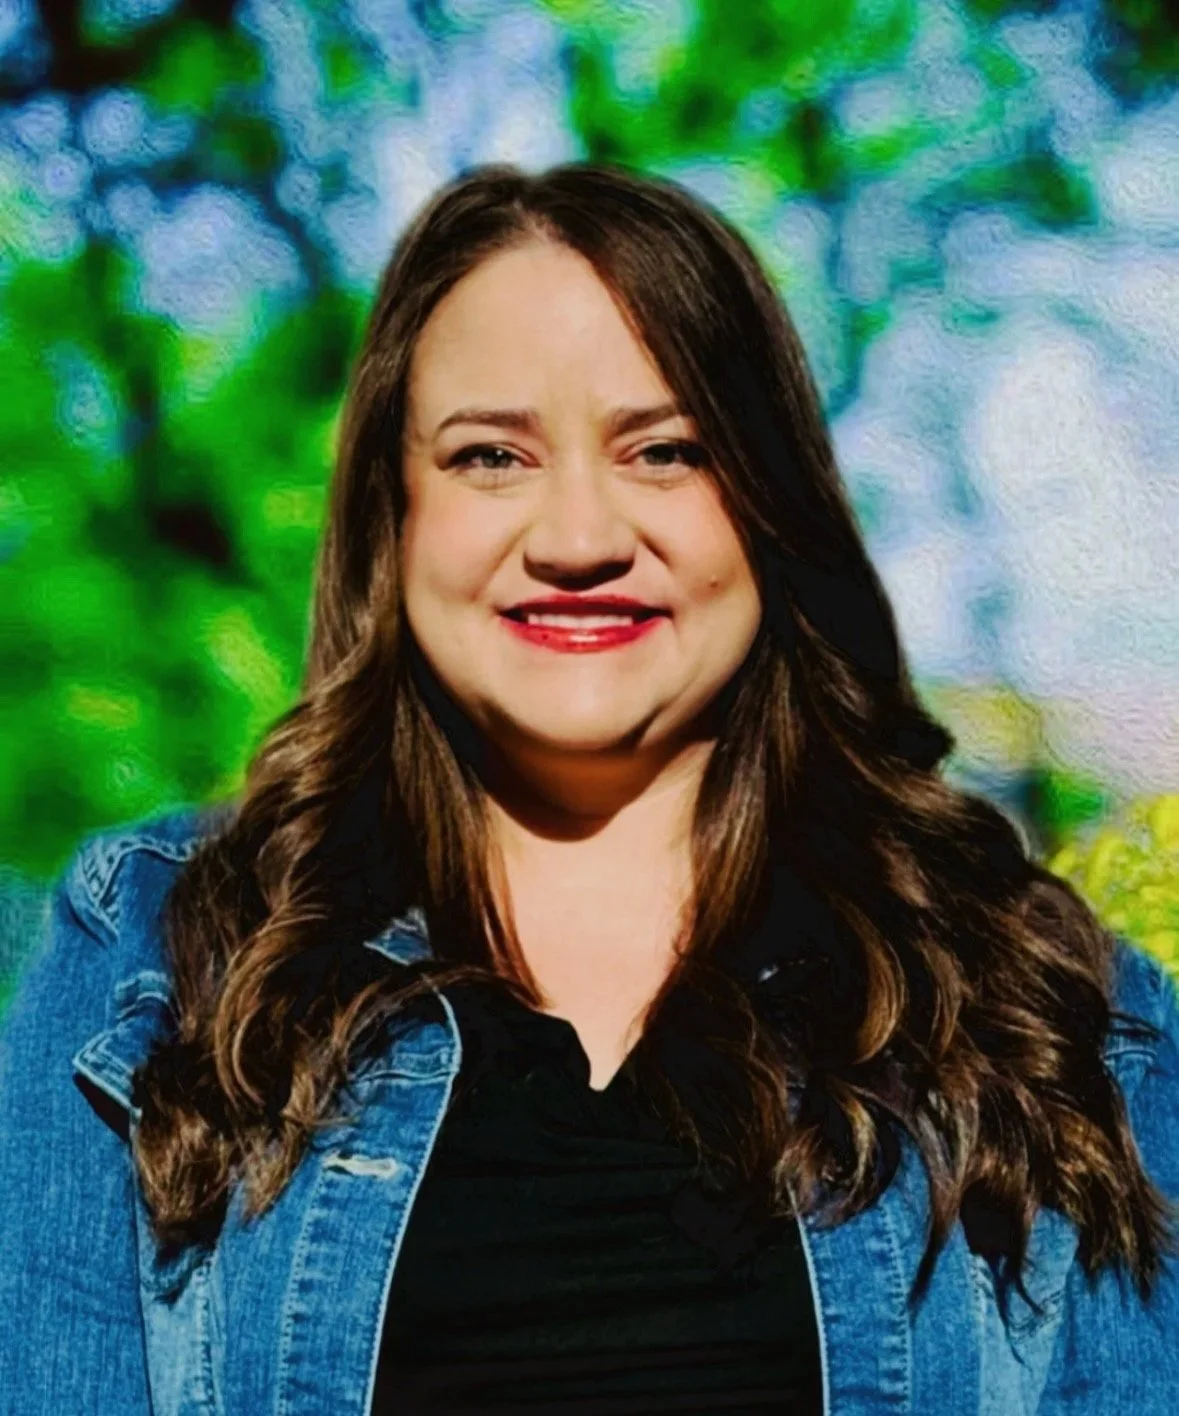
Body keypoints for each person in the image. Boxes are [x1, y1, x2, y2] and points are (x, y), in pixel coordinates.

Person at [1, 160, 1176, 1416]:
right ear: (394, 520)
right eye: (491, 456)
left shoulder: (1050, 1017)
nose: (576, 539)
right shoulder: (152, 956)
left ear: (767, 508)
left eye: (663, 451)